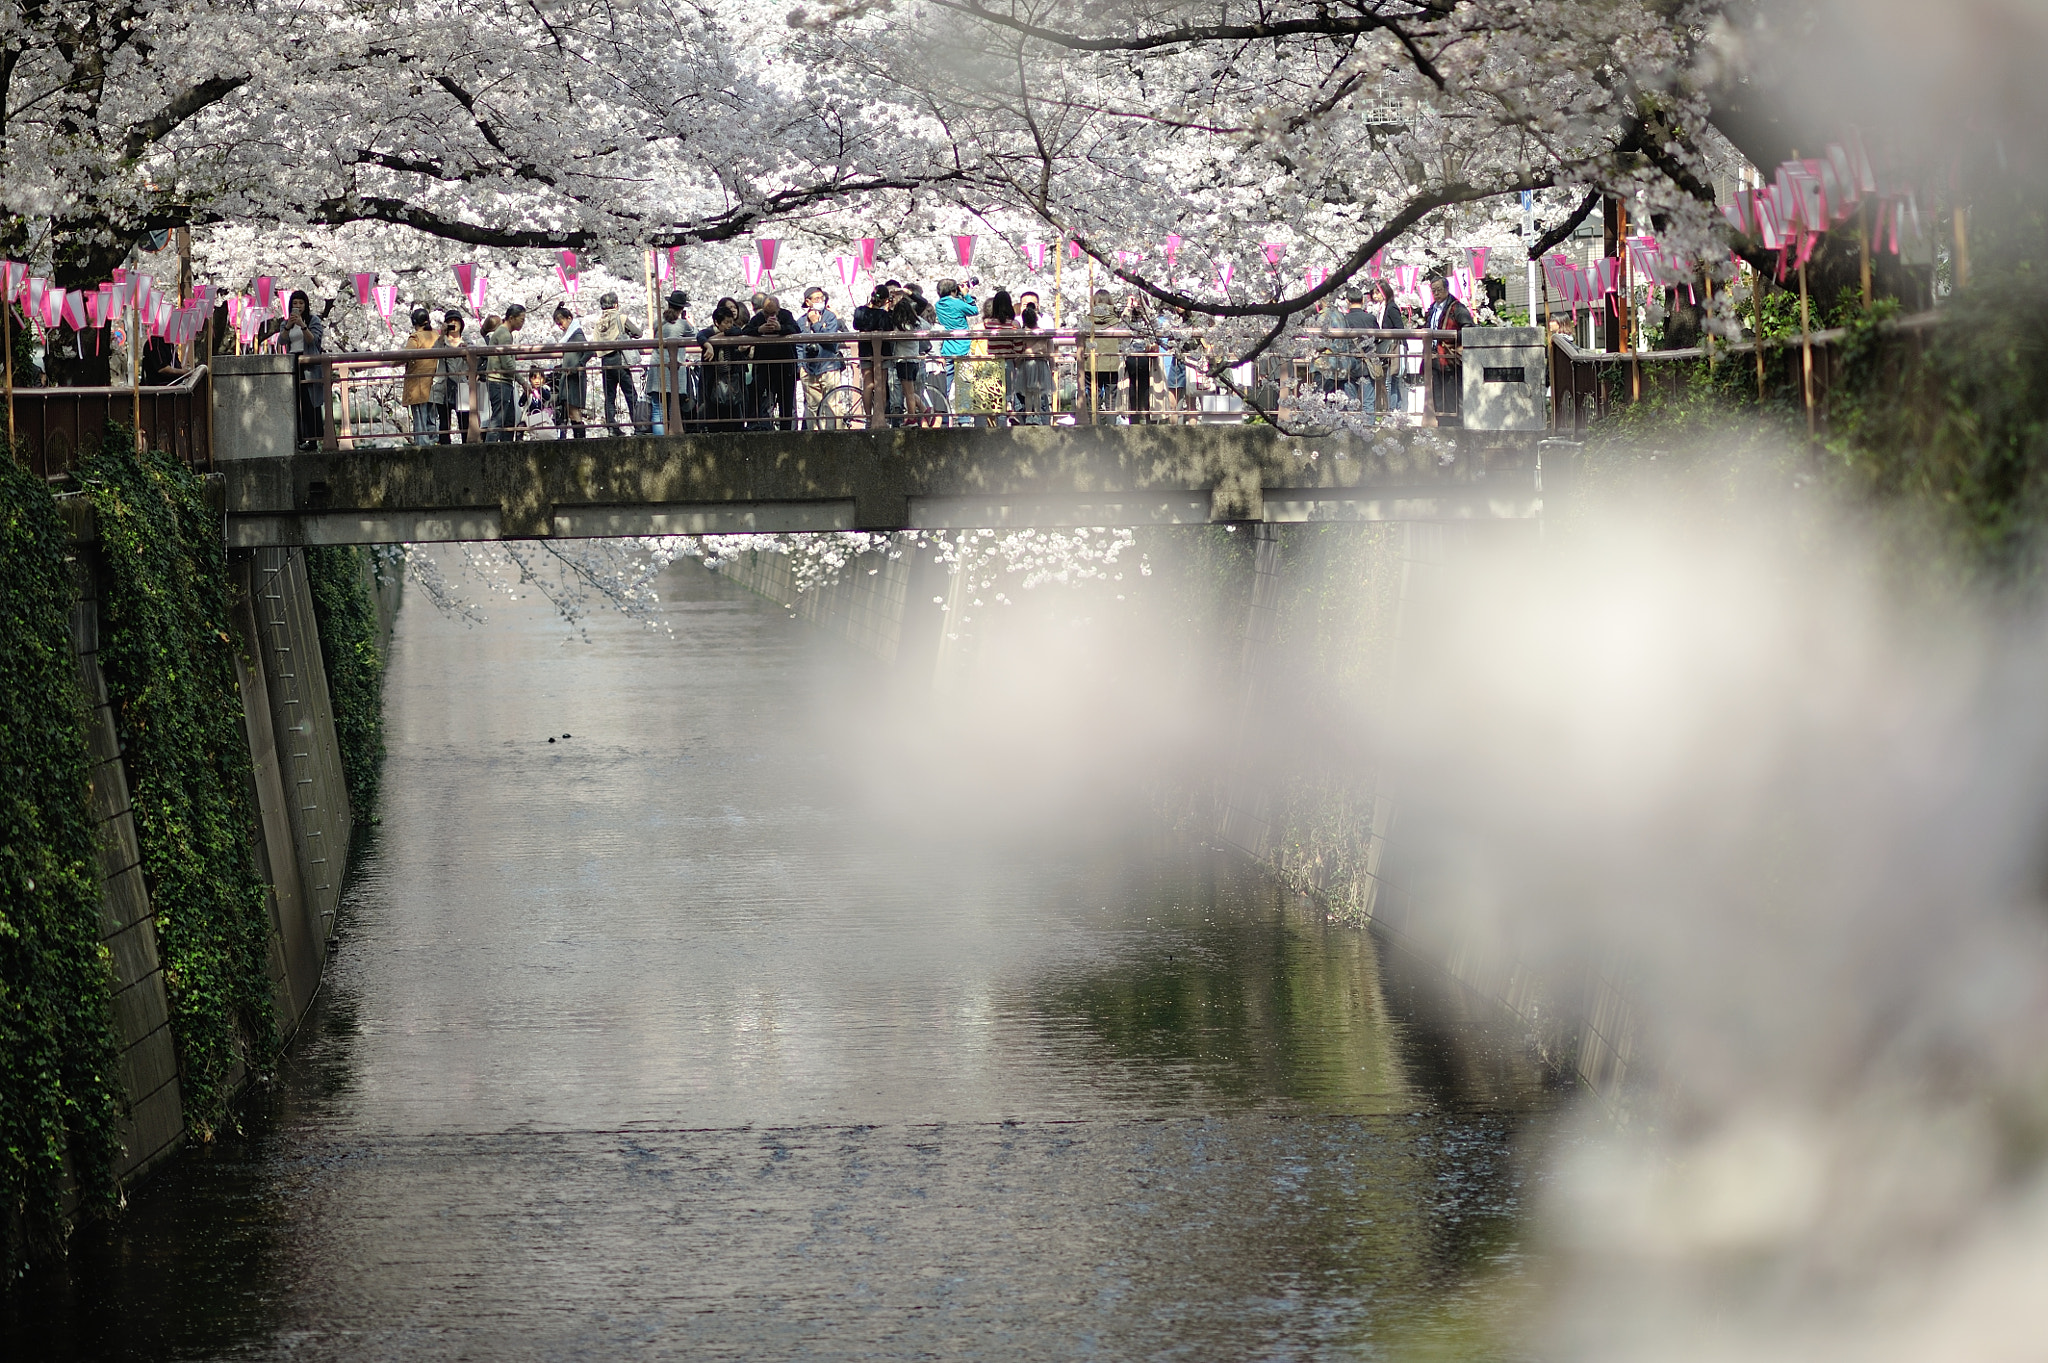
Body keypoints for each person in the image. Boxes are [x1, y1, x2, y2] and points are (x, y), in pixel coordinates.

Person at [270, 290, 326, 448]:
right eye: (295, 303)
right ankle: (299, 439)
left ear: (306, 305)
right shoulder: (286, 322)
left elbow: (314, 340)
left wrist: (302, 325)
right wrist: (288, 326)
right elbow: (281, 341)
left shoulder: (312, 320)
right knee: (295, 401)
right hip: (292, 361)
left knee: (310, 401)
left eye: (301, 303)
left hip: (308, 361)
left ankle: (313, 440)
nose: (298, 306)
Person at [741, 292, 802, 431]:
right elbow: (746, 331)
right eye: (767, 313)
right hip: (764, 365)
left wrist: (780, 328)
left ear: (778, 310)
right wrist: (759, 330)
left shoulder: (786, 315)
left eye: (773, 313)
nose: (770, 317)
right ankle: (756, 426)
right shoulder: (758, 318)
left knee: (786, 402)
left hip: (785, 367)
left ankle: (786, 432)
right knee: (757, 396)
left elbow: (796, 329)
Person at [1422, 273, 1474, 425]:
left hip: (1450, 358)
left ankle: (1455, 426)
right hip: (1434, 358)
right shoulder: (1432, 309)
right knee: (1437, 394)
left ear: (1446, 289)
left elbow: (1468, 328)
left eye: (1439, 290)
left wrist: (1454, 340)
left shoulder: (1456, 308)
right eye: (1433, 291)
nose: (1436, 294)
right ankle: (1442, 423)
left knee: (1451, 394)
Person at [593, 291, 643, 435]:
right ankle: (638, 426)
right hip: (619, 360)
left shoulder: (598, 322)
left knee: (609, 396)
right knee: (630, 393)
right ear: (616, 304)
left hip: (605, 361)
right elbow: (638, 333)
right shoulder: (621, 318)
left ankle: (612, 427)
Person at [796, 287, 846, 428]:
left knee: (833, 404)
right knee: (813, 407)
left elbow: (829, 339)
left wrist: (816, 324)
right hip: (809, 368)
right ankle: (815, 438)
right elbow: (799, 345)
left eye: (821, 298)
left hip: (829, 365)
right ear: (808, 301)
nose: (820, 301)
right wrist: (801, 367)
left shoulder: (830, 317)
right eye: (816, 298)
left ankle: (836, 435)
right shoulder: (801, 322)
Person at [932, 278, 978, 423]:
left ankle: (943, 417)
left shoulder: (938, 305)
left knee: (945, 385)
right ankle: (964, 418)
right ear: (954, 290)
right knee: (964, 383)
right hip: (963, 347)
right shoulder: (958, 302)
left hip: (947, 349)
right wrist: (966, 295)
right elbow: (974, 310)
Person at [697, 300, 746, 428]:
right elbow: (700, 336)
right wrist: (709, 345)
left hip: (732, 379)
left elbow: (738, 331)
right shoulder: (709, 332)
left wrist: (722, 335)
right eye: (726, 323)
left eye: (731, 322)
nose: (730, 325)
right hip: (714, 379)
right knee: (715, 410)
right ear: (716, 323)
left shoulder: (732, 330)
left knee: (733, 411)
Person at [483, 303, 526, 442]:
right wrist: (523, 381)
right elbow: (507, 363)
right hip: (499, 380)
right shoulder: (504, 334)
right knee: (499, 419)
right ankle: (490, 451)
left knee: (508, 419)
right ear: (512, 318)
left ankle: (505, 451)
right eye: (521, 319)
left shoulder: (503, 333)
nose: (522, 323)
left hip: (501, 380)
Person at [650, 291, 691, 435]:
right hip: (676, 369)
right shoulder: (683, 325)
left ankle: (659, 441)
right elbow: (696, 334)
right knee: (674, 406)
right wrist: (691, 321)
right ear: (682, 309)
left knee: (658, 408)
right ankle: (674, 437)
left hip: (657, 366)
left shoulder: (657, 322)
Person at [1078, 289, 1122, 422]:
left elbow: (1081, 337)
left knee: (1093, 397)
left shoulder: (1087, 319)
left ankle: (1094, 426)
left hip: (1092, 363)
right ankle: (1111, 427)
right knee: (1111, 398)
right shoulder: (1116, 320)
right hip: (1111, 364)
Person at [853, 284, 893, 425]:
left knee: (868, 385)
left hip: (865, 350)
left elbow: (856, 326)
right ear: (885, 300)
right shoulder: (883, 315)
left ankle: (869, 417)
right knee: (880, 384)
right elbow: (888, 327)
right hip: (882, 351)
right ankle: (880, 417)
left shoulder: (860, 311)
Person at [1368, 279, 1408, 419]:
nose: (1375, 296)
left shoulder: (1391, 307)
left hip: (1394, 347)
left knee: (1391, 379)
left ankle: (1391, 411)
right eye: (1373, 293)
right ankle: (1393, 409)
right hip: (1387, 347)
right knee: (1390, 379)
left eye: (1377, 292)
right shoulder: (1382, 308)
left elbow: (1399, 328)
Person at [401, 307, 441, 445]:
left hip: (418, 384)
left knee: (420, 418)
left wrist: (391, 362)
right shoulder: (436, 335)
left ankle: (423, 446)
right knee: (432, 418)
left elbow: (405, 355)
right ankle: (434, 442)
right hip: (434, 383)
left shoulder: (416, 337)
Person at [433, 311, 474, 443]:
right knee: (444, 422)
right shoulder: (442, 341)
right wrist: (441, 335)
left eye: (456, 321)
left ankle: (466, 449)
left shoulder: (466, 340)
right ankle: (445, 450)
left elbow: (476, 358)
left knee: (464, 421)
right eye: (450, 321)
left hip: (463, 384)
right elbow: (433, 352)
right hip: (443, 385)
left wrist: (467, 350)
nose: (453, 323)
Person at [551, 303, 590, 438]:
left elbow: (589, 350)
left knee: (573, 410)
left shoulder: (576, 334)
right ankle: (578, 439)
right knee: (570, 409)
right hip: (569, 376)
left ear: (569, 318)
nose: (561, 327)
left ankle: (580, 440)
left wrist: (579, 365)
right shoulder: (571, 335)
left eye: (561, 323)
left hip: (573, 377)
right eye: (558, 325)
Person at [1120, 293, 1156, 423]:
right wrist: (1128, 308)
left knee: (1146, 388)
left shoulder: (1148, 316)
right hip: (1131, 354)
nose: (1135, 303)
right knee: (1132, 389)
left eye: (1137, 300)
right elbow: (1121, 327)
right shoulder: (1128, 316)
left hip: (1145, 355)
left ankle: (1147, 417)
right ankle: (1134, 419)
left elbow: (1154, 325)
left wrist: (1143, 307)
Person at [891, 292, 926, 425]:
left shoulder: (900, 327)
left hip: (903, 360)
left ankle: (911, 418)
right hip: (914, 360)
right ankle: (924, 410)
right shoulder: (916, 324)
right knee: (909, 391)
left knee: (909, 392)